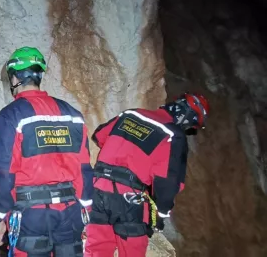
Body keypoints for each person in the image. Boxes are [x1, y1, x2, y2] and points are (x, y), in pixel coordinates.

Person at [0, 47, 93, 257]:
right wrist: (86, 210)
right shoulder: (72, 115)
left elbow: (4, 172)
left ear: (14, 78)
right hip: (69, 211)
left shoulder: (10, 117)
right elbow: (84, 168)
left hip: (31, 217)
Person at [84, 93, 210, 257]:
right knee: (132, 251)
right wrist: (160, 214)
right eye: (192, 126)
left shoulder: (131, 114)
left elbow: (100, 135)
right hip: (128, 200)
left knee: (96, 250)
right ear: (188, 119)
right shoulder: (173, 135)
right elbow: (168, 182)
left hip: (97, 190)